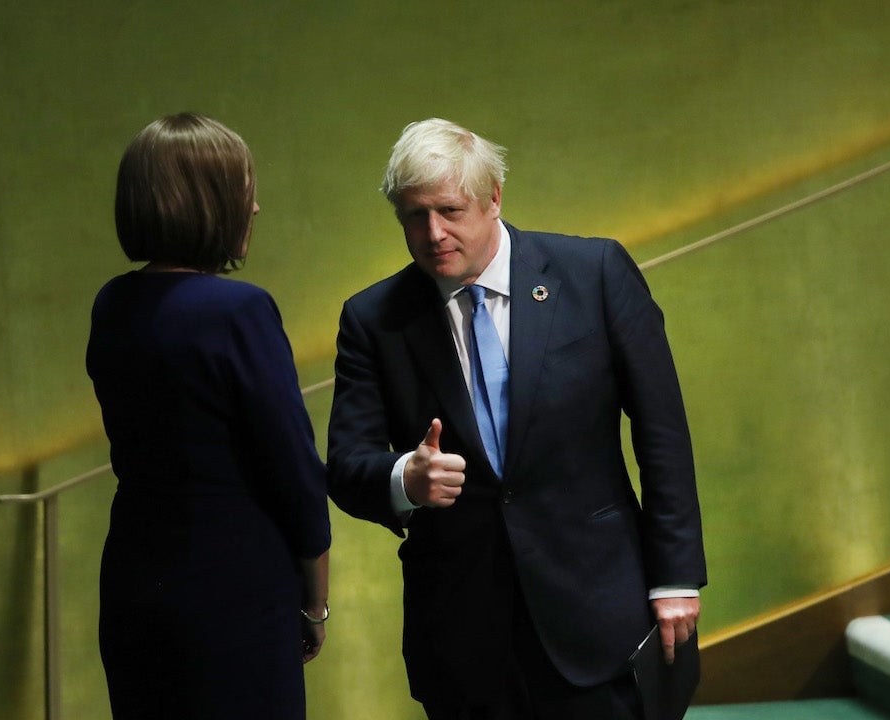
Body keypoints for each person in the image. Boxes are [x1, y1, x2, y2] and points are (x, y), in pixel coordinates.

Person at [327, 117, 706, 720]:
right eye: (412, 216)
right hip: (464, 638)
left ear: (495, 196)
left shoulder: (595, 274)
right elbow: (347, 464)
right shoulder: (374, 320)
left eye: (450, 210)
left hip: (598, 613)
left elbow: (662, 433)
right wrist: (405, 479)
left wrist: (675, 578)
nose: (432, 233)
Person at [86, 112, 331, 720]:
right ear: (206, 201)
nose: (253, 208)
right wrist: (316, 604)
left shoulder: (113, 303)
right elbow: (295, 474)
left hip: (134, 588)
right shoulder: (238, 311)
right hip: (234, 596)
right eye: (243, 190)